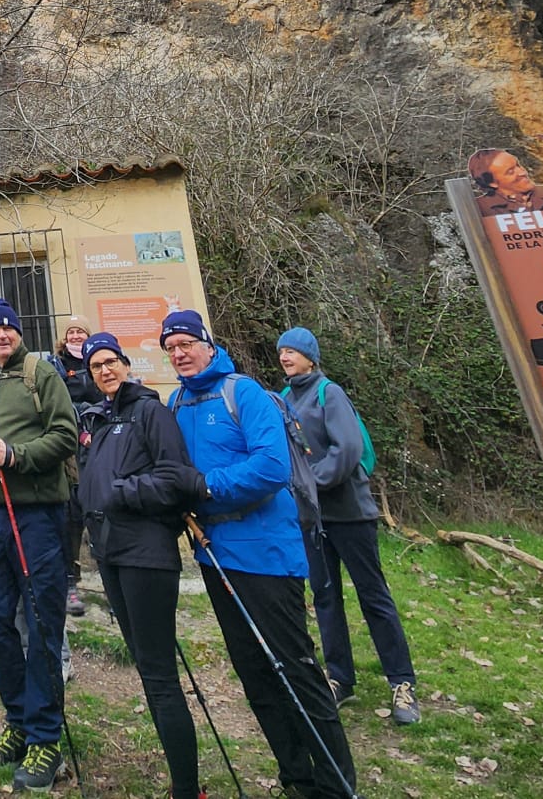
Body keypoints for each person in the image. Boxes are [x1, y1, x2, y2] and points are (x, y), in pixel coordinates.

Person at [164, 310, 356, 799]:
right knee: (254, 674)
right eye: (171, 347)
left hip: (267, 553)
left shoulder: (242, 392)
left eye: (186, 343)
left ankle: (336, 786)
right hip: (213, 556)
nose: (179, 353)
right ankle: (297, 777)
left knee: (296, 669)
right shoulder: (176, 401)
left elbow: (271, 468)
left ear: (208, 344)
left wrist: (204, 489)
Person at [0, 300, 79, 791]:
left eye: (8, 328)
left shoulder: (41, 374)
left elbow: (66, 435)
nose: (1, 335)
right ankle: (19, 721)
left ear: (18, 333)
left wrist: (18, 455)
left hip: (38, 516)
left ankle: (46, 737)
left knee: (43, 621)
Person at [75, 332, 207, 799]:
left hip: (146, 555)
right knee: (150, 671)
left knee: (159, 674)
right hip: (110, 555)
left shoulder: (150, 411)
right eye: (96, 366)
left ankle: (187, 789)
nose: (105, 371)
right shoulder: (101, 419)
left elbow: (177, 478)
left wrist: (120, 493)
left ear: (127, 364)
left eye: (111, 362)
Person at [277, 326, 420, 725]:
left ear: (311, 357)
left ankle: (402, 682)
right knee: (325, 597)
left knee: (374, 596)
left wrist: (309, 482)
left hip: (351, 514)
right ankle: (340, 678)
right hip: (312, 517)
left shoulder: (329, 392)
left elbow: (348, 449)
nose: (286, 357)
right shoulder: (285, 398)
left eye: (293, 351)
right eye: (282, 351)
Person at [50, 317, 100, 619]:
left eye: (80, 331)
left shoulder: (100, 361)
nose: (76, 335)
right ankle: (70, 580)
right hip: (70, 446)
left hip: (100, 444)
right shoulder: (57, 366)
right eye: (71, 332)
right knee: (71, 515)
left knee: (102, 509)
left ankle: (111, 575)